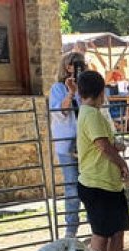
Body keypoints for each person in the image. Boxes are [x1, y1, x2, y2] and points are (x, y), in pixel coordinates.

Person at [75, 70, 129, 251]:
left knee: (116, 232)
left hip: (107, 183)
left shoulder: (90, 113)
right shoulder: (91, 114)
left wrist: (117, 147)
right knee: (101, 235)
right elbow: (103, 147)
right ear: (101, 91)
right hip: (98, 183)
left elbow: (106, 142)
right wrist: (122, 163)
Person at [49, 52, 85, 238]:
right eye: (73, 63)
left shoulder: (86, 86)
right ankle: (71, 228)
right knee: (72, 185)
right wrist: (71, 92)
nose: (76, 67)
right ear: (66, 66)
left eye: (80, 63)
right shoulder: (57, 88)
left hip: (87, 141)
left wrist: (81, 89)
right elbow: (60, 111)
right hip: (67, 142)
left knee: (91, 181)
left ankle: (96, 221)